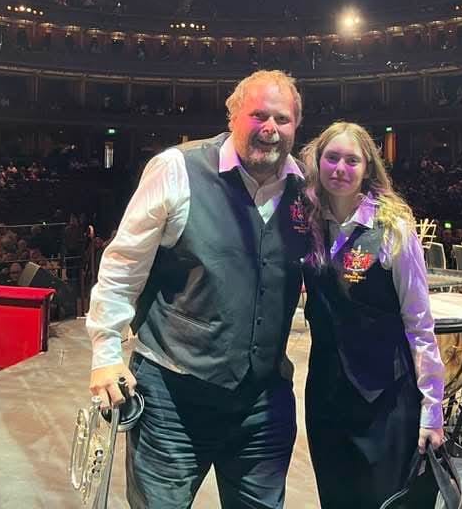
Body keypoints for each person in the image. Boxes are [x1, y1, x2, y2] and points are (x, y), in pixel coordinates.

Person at [86, 70, 311, 509]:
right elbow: (123, 265)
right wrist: (105, 353)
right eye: (258, 115)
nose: (270, 128)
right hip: (172, 395)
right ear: (233, 115)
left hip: (263, 402)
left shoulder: (304, 186)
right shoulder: (177, 168)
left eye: (282, 119)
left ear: (296, 126)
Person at [300, 121, 444, 509]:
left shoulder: (393, 227)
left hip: (386, 398)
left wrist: (433, 409)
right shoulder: (308, 224)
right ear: (318, 161)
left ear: (367, 168)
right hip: (326, 394)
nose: (340, 168)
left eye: (352, 160)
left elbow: (419, 323)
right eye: (332, 158)